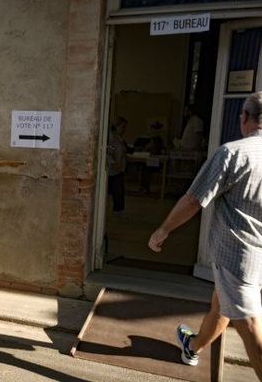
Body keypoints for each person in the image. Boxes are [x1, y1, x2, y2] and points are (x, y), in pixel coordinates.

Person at [148, 92, 262, 379]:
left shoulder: (233, 153)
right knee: (221, 305)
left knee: (249, 328)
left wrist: (163, 230)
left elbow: (193, 200)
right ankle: (193, 347)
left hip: (239, 257)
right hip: (254, 259)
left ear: (244, 118)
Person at [107, 117, 128, 213]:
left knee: (119, 191)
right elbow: (108, 153)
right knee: (116, 190)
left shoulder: (119, 139)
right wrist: (114, 163)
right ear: (117, 126)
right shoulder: (111, 139)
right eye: (122, 127)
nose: (124, 129)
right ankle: (117, 210)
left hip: (119, 169)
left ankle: (118, 209)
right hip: (113, 169)